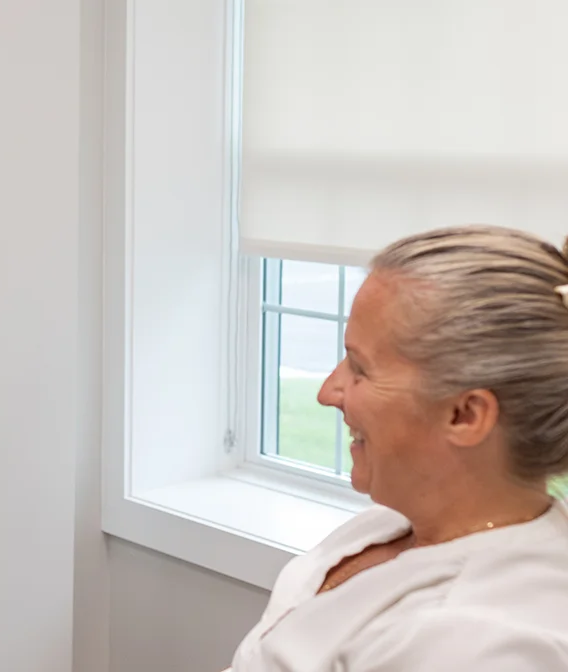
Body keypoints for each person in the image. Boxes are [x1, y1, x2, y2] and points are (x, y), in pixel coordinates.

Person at [227, 225, 568, 670]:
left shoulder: (476, 643)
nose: (328, 391)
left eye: (360, 369)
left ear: (464, 415)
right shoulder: (387, 524)